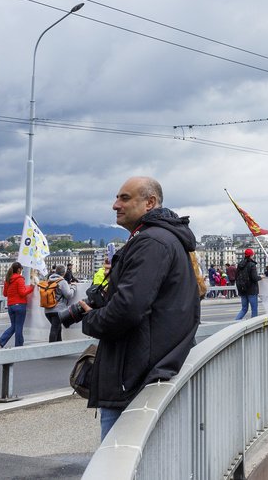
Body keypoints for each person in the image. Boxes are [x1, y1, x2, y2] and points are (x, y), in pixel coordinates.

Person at [75, 176, 200, 441]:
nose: (115, 205)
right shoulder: (160, 239)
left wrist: (90, 319)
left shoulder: (151, 242)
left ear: (149, 203)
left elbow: (129, 309)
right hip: (144, 371)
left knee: (117, 461)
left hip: (133, 378)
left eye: (124, 198)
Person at [0, 262, 32, 348]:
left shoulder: (7, 280)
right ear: (19, 270)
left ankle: (0, 341)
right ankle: (19, 346)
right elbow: (22, 293)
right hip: (20, 305)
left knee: (14, 326)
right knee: (19, 327)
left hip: (11, 306)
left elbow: (5, 294)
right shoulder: (20, 279)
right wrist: (31, 288)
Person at [40, 265, 75, 343]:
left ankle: (59, 347)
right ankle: (51, 349)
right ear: (64, 273)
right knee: (55, 329)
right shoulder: (62, 282)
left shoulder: (49, 281)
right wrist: (73, 288)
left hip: (47, 310)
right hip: (58, 310)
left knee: (57, 328)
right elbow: (68, 295)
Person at [234, 248, 261, 320]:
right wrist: (261, 277)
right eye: (252, 255)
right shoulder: (252, 265)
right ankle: (254, 325)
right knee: (254, 309)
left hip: (242, 289)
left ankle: (235, 322)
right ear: (250, 256)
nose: (253, 256)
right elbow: (254, 278)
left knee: (244, 309)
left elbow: (236, 276)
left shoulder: (240, 265)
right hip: (251, 289)